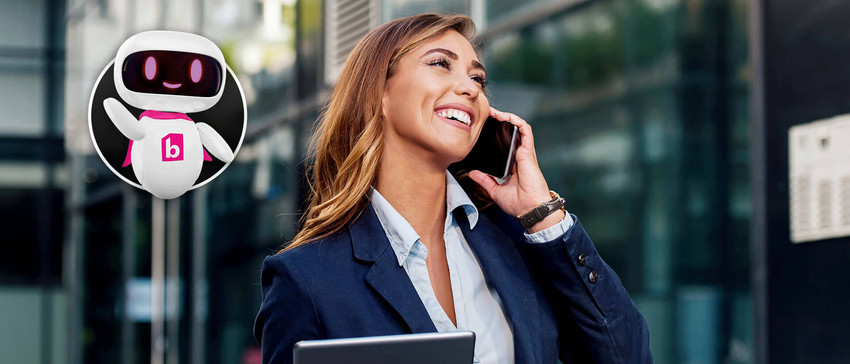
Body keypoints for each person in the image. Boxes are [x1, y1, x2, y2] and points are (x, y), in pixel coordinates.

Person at [253, 13, 652, 364]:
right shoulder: (307, 279)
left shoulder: (520, 245)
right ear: (379, 93)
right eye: (441, 64)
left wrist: (543, 215)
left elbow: (626, 356)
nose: (470, 88)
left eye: (478, 77)